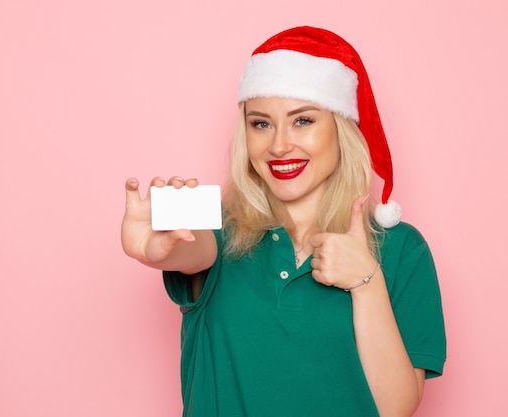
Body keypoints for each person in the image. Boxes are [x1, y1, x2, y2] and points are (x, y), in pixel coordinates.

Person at [121, 26, 446, 417]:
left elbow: (395, 409)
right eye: (261, 124)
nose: (278, 146)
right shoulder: (214, 222)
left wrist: (367, 282)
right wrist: (157, 250)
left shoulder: (401, 248)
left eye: (303, 121)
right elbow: (191, 248)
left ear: (341, 129)